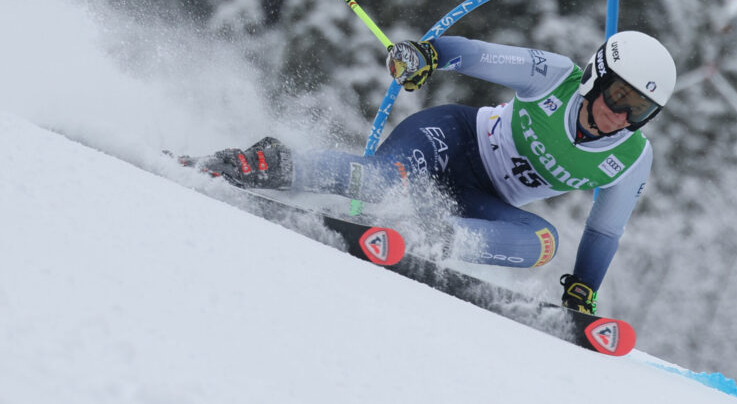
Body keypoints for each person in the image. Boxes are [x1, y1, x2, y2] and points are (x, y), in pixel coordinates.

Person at [196, 31, 676, 314]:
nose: (620, 117)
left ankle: (429, 235)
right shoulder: (555, 76)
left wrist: (584, 290)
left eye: (639, 111)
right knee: (385, 180)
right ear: (596, 77)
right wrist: (430, 53)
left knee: (545, 243)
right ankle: (266, 164)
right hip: (454, 140)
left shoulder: (632, 158)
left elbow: (604, 229)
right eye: (618, 97)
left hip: (481, 201)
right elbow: (481, 55)